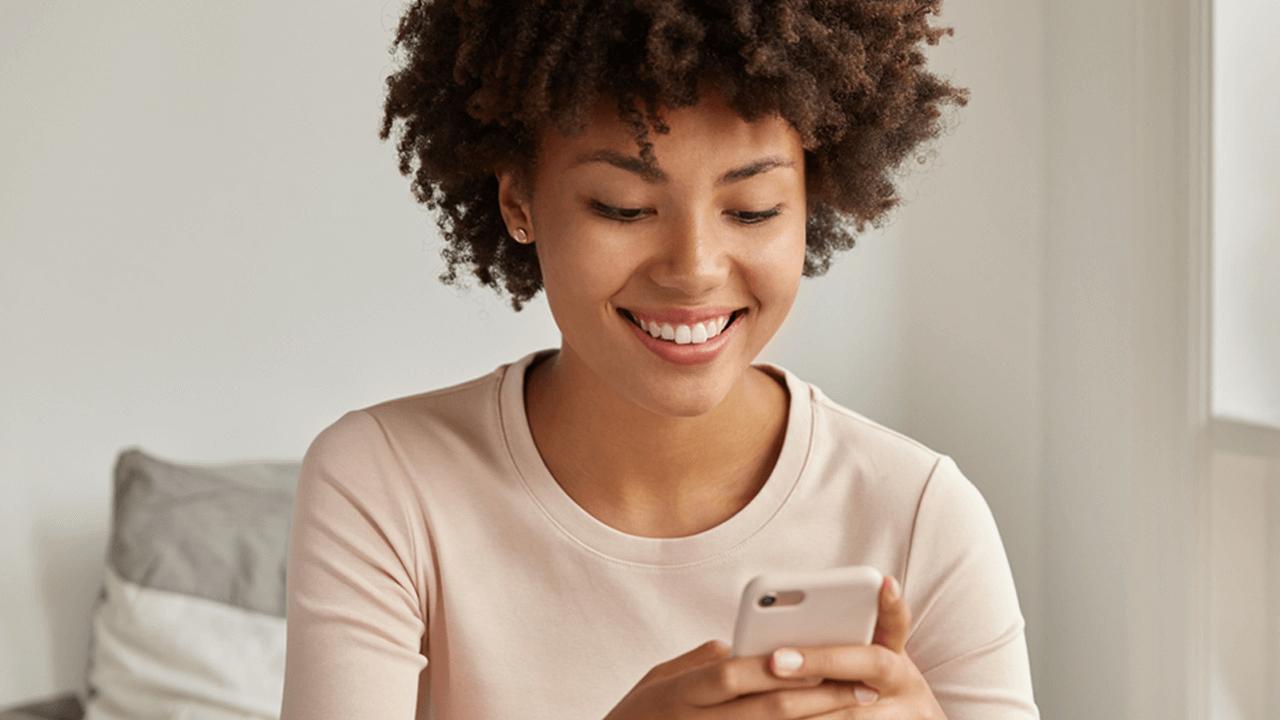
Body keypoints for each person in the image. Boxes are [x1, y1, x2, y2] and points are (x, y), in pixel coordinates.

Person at [280, 1, 1039, 718]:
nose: (695, 267)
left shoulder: (921, 513)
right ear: (518, 200)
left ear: (816, 199)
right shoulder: (387, 483)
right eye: (623, 207)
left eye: (753, 210)